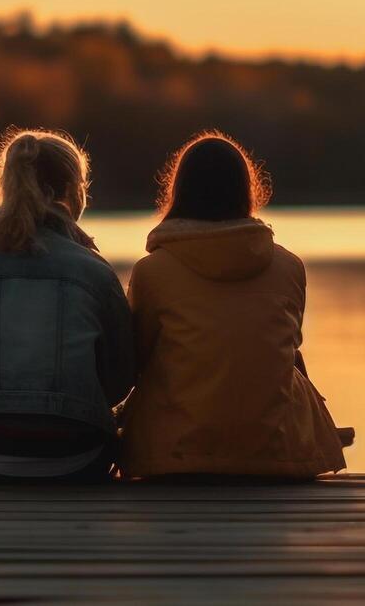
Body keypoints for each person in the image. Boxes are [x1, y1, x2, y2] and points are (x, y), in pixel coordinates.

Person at [118, 131, 346, 480]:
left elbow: (137, 361)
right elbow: (287, 349)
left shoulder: (153, 272)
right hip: (278, 454)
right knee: (291, 361)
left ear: (179, 192)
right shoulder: (289, 267)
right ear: (246, 191)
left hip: (173, 455)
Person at [0, 128, 134, 483]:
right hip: (79, 459)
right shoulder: (96, 273)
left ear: (6, 187)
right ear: (72, 192)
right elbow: (119, 382)